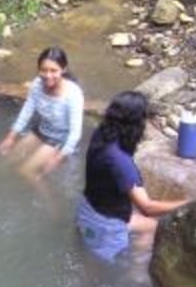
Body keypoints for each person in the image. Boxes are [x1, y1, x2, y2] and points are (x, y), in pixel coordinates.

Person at [76, 90, 187, 261]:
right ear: (137, 123)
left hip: (86, 211)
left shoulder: (101, 134)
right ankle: (136, 274)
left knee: (151, 227)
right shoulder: (120, 162)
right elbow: (147, 208)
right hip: (106, 227)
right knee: (101, 272)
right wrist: (189, 202)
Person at [0, 46, 84, 181]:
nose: (48, 76)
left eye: (53, 71)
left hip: (60, 139)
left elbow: (75, 133)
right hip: (41, 130)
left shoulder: (73, 94)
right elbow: (27, 111)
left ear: (63, 69)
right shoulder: (37, 84)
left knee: (26, 172)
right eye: (44, 70)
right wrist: (11, 137)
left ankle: (51, 202)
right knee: (6, 161)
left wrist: (57, 158)